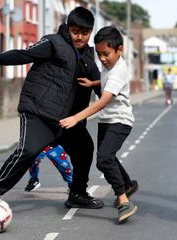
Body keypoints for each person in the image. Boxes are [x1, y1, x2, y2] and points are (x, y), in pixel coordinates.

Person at [0, 7, 103, 209]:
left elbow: (100, 84)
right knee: (28, 151)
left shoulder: (88, 56)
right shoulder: (54, 43)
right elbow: (24, 54)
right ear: (68, 28)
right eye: (75, 31)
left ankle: (77, 194)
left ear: (90, 32)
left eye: (85, 33)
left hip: (68, 119)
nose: (79, 37)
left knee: (85, 150)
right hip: (39, 111)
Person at [60, 26, 139, 223]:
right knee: (108, 156)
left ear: (119, 50)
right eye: (98, 54)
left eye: (106, 54)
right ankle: (127, 185)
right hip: (107, 120)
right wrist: (93, 83)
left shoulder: (118, 71)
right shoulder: (109, 66)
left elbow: (103, 101)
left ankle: (123, 201)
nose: (102, 58)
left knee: (103, 160)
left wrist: (77, 117)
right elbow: (105, 81)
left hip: (120, 121)